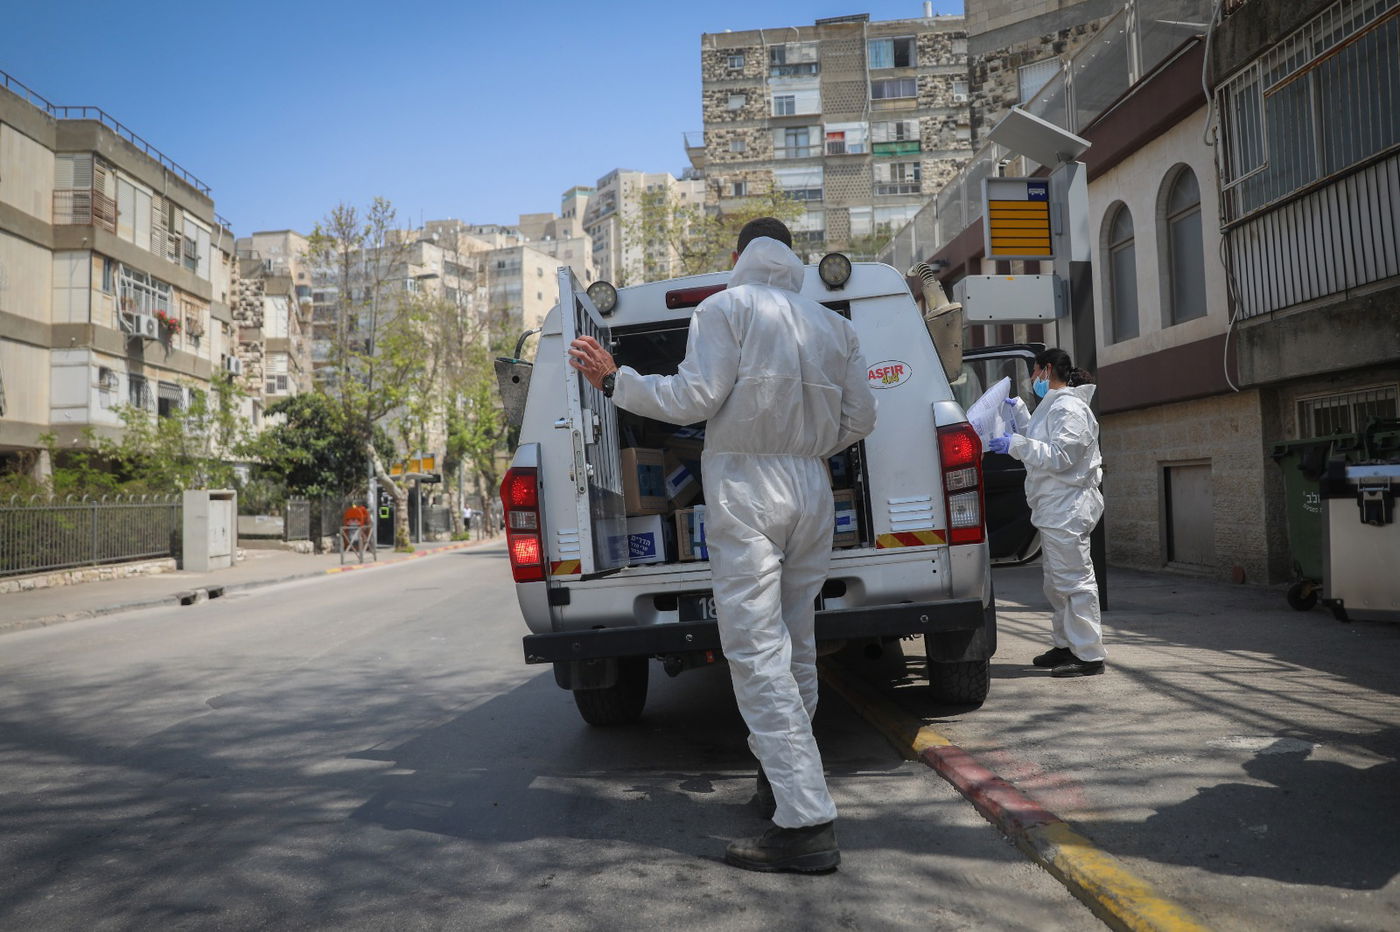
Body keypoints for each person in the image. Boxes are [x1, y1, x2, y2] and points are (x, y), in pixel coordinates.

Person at [567, 218, 877, 873]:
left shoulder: (724, 310)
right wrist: (810, 447)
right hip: (811, 488)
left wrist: (615, 380)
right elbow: (863, 418)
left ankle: (806, 821)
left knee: (755, 650)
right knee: (795, 643)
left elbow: (694, 397)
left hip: (748, 486)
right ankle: (781, 780)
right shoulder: (834, 327)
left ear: (739, 257)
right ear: (791, 259)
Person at [988, 348, 1105, 677]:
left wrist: (1016, 444)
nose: (1032, 379)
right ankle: (1066, 645)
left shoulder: (1069, 408)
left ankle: (1089, 654)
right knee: (1056, 583)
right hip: (1056, 507)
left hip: (1068, 506)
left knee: (1075, 581)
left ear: (1047, 369)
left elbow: (1061, 456)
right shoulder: (1054, 406)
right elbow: (1045, 442)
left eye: (1035, 372)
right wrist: (1022, 416)